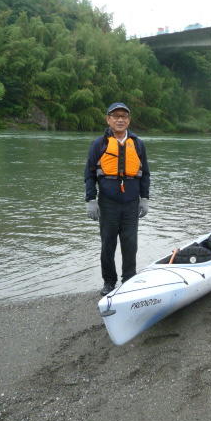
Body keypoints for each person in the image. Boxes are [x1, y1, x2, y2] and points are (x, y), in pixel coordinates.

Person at [84, 102, 151, 296]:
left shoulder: (138, 144)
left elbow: (145, 173)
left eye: (124, 116)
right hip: (108, 203)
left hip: (131, 202)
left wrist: (144, 198)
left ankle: (129, 279)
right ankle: (109, 282)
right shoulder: (99, 143)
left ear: (129, 120)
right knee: (108, 244)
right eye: (116, 116)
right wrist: (91, 200)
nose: (120, 119)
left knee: (130, 244)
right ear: (108, 119)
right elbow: (89, 174)